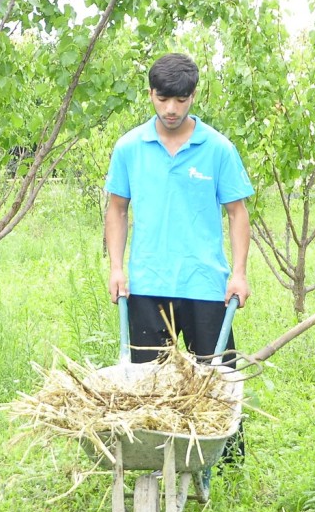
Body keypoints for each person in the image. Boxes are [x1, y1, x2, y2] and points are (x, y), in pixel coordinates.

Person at [104, 53, 254, 487]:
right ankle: (153, 456)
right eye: (163, 99)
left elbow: (237, 213)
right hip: (147, 283)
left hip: (205, 284)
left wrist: (238, 272)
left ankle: (226, 462)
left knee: (218, 379)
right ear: (150, 94)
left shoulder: (218, 149)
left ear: (193, 97)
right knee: (147, 381)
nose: (171, 110)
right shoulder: (130, 147)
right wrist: (117, 266)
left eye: (181, 100)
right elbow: (117, 209)